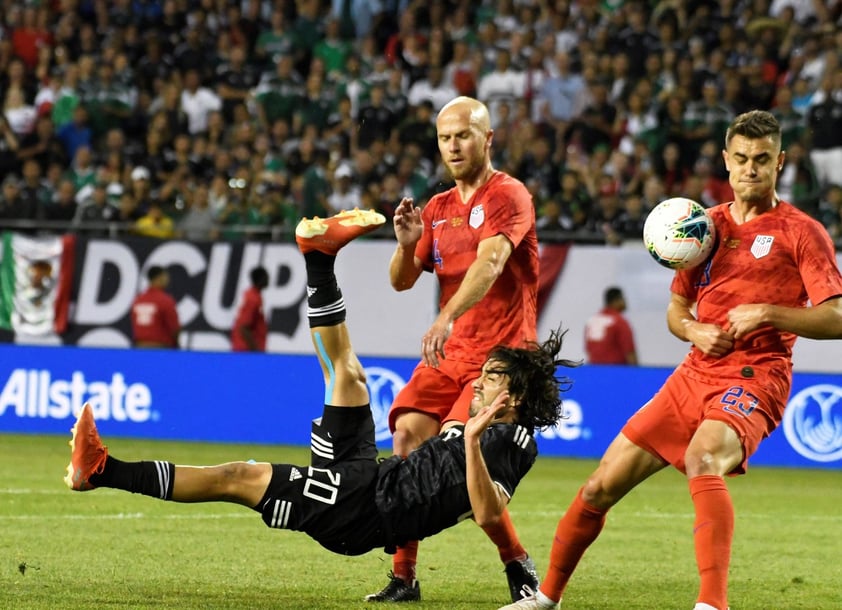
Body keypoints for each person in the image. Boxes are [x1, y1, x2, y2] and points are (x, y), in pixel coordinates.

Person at [65, 211, 575, 601]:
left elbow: (488, 512)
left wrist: (468, 440)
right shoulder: (485, 421)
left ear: (518, 396)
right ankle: (318, 256)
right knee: (346, 374)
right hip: (368, 478)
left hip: (359, 513)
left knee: (238, 477)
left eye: (491, 377)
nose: (479, 384)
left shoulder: (512, 441)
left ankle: (102, 471)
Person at [500, 110, 842, 610]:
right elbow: (676, 310)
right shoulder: (702, 228)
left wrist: (771, 313)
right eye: (742, 158)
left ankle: (711, 604)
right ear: (726, 161)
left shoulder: (801, 232)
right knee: (598, 486)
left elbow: (836, 317)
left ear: (781, 163)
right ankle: (546, 597)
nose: (751, 168)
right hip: (693, 374)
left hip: (755, 375)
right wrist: (694, 329)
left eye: (763, 160)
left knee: (705, 458)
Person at [375, 95, 540, 603]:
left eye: (463, 135)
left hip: (500, 361)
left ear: (487, 139)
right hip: (450, 358)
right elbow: (401, 282)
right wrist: (406, 244)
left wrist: (445, 315)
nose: (453, 145)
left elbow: (490, 265)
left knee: (457, 466)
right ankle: (405, 576)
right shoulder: (438, 209)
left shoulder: (509, 195)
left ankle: (518, 565)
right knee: (404, 440)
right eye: (445, 137)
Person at [583, 286, 638, 365]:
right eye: (623, 299)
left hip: (594, 370)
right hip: (616, 370)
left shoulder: (593, 321)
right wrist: (636, 372)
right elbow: (629, 351)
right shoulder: (619, 321)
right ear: (616, 300)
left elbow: (589, 349)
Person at [130, 265, 180, 349]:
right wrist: (177, 344)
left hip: (139, 348)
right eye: (165, 277)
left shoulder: (138, 300)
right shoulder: (165, 300)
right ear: (159, 277)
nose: (167, 280)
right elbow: (174, 328)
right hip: (160, 349)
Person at [231, 266, 269, 352]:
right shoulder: (253, 299)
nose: (268, 279)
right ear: (260, 279)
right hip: (245, 351)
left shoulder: (253, 296)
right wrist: (255, 351)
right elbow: (244, 327)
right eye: (266, 277)